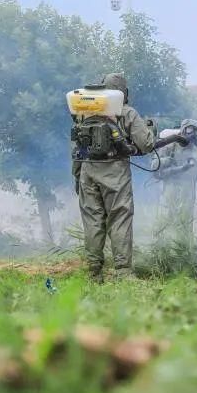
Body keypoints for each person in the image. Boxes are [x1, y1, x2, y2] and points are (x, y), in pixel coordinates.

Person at [73, 73, 155, 282]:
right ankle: (123, 271)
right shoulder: (126, 112)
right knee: (119, 218)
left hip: (87, 171)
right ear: (123, 92)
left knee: (93, 221)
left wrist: (77, 176)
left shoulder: (84, 111)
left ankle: (93, 272)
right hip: (114, 172)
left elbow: (78, 149)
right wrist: (150, 130)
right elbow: (146, 144)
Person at [151, 119, 197, 231]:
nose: (192, 134)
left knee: (185, 223)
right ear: (183, 129)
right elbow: (154, 167)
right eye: (190, 129)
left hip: (188, 193)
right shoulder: (169, 146)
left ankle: (184, 246)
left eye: (196, 131)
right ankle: (162, 245)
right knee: (166, 221)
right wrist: (168, 160)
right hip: (170, 189)